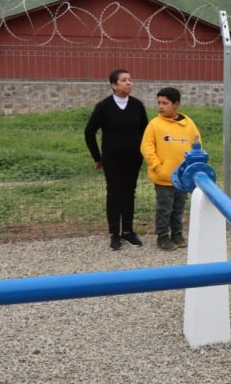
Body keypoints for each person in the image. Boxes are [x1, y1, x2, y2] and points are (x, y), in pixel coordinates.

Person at [85, 69, 149, 251]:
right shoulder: (104, 106)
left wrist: (145, 153)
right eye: (123, 80)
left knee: (129, 193)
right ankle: (114, 233)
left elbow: (146, 131)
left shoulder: (137, 105)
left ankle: (127, 231)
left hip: (133, 159)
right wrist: (97, 157)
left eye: (130, 79)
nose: (129, 82)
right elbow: (89, 132)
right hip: (112, 160)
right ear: (113, 85)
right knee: (114, 194)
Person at [140, 87, 201, 251]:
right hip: (164, 177)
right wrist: (157, 166)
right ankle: (162, 236)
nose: (160, 106)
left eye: (165, 103)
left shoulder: (188, 124)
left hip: (183, 178)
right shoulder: (154, 124)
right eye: (159, 103)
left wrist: (193, 167)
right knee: (164, 209)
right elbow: (146, 148)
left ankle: (177, 233)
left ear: (176, 104)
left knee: (178, 207)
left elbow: (197, 145)